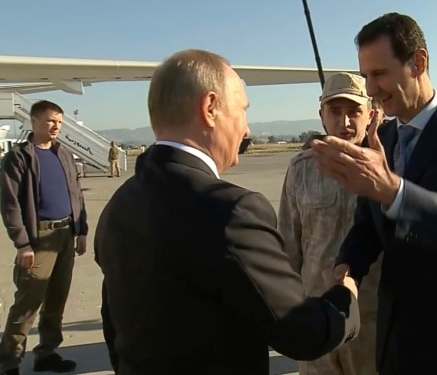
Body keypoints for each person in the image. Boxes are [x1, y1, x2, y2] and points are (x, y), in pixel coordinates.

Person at [93, 49, 360, 375]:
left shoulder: (119, 205)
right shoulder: (233, 212)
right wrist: (345, 299)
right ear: (211, 109)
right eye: (242, 110)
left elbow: (115, 329)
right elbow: (301, 333)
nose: (246, 130)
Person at [311, 12, 437, 375]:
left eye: (379, 74)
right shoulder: (384, 140)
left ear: (419, 62)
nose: (371, 89)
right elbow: (368, 226)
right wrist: (347, 271)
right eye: (365, 77)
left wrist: (391, 189)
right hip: (399, 338)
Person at [278, 72, 381, 375]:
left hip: (371, 320)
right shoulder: (302, 169)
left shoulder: (387, 167)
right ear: (321, 115)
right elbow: (287, 246)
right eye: (335, 112)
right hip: (316, 317)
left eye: (354, 112)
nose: (345, 123)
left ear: (370, 115)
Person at [0, 100, 88, 375]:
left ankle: (47, 353)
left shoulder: (63, 154)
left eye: (60, 122)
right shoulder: (20, 157)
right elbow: (11, 203)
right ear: (34, 121)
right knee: (27, 303)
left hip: (64, 235)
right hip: (39, 238)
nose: (56, 127)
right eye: (50, 121)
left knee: (56, 301)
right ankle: (9, 362)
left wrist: (81, 230)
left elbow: (77, 194)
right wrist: (23, 243)